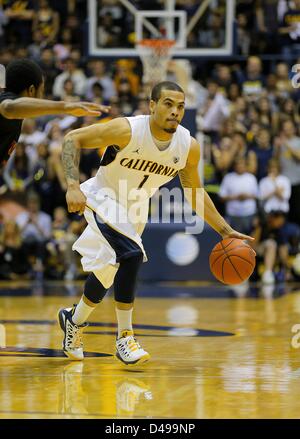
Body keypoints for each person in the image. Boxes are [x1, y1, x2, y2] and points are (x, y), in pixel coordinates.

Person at [57, 81, 254, 365]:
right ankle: (125, 337)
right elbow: (72, 138)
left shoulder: (188, 146)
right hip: (104, 197)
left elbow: (195, 193)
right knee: (132, 255)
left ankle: (72, 320)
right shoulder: (127, 130)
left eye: (181, 106)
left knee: (107, 273)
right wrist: (73, 185)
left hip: (136, 207)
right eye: (168, 104)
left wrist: (224, 231)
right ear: (152, 105)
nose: (175, 111)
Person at [0, 58, 109, 169]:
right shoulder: (6, 103)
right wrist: (65, 107)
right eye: (42, 91)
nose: (42, 96)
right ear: (31, 90)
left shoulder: (13, 113)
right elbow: (8, 108)